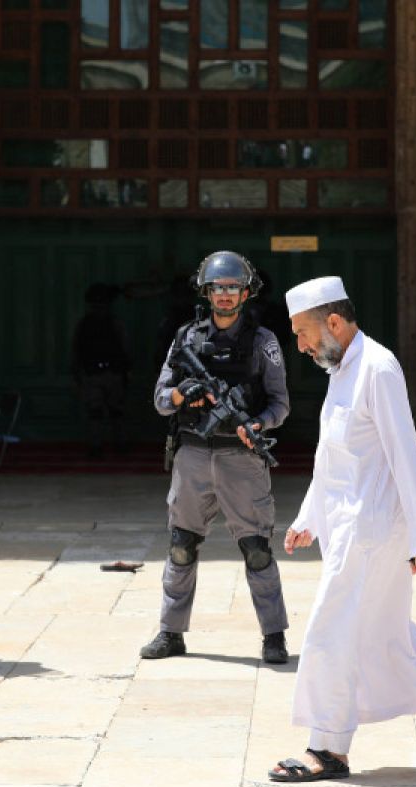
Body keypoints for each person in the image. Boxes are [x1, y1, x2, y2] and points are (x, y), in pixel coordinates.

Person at [268, 276, 416, 783]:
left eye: (303, 333)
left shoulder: (378, 368)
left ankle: (327, 749)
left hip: (376, 531)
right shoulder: (339, 371)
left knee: (330, 631)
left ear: (336, 323)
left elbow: (403, 453)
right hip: (349, 527)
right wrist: (309, 517)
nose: (299, 345)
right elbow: (335, 457)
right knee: (383, 636)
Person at [140, 251, 292, 664]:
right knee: (181, 545)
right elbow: (160, 400)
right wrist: (181, 394)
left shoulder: (264, 341)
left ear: (246, 292)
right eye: (217, 288)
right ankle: (171, 632)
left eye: (232, 288)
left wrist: (257, 424)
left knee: (257, 548)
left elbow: (280, 405)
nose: (224, 295)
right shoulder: (186, 337)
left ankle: (274, 635)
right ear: (207, 292)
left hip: (240, 458)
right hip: (192, 454)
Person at [72, 282, 131, 457]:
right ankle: (96, 446)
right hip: (94, 373)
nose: (99, 307)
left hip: (112, 372)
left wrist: (125, 370)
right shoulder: (85, 325)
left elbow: (125, 347)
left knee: (116, 412)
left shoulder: (114, 323)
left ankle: (117, 444)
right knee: (95, 412)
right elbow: (77, 349)